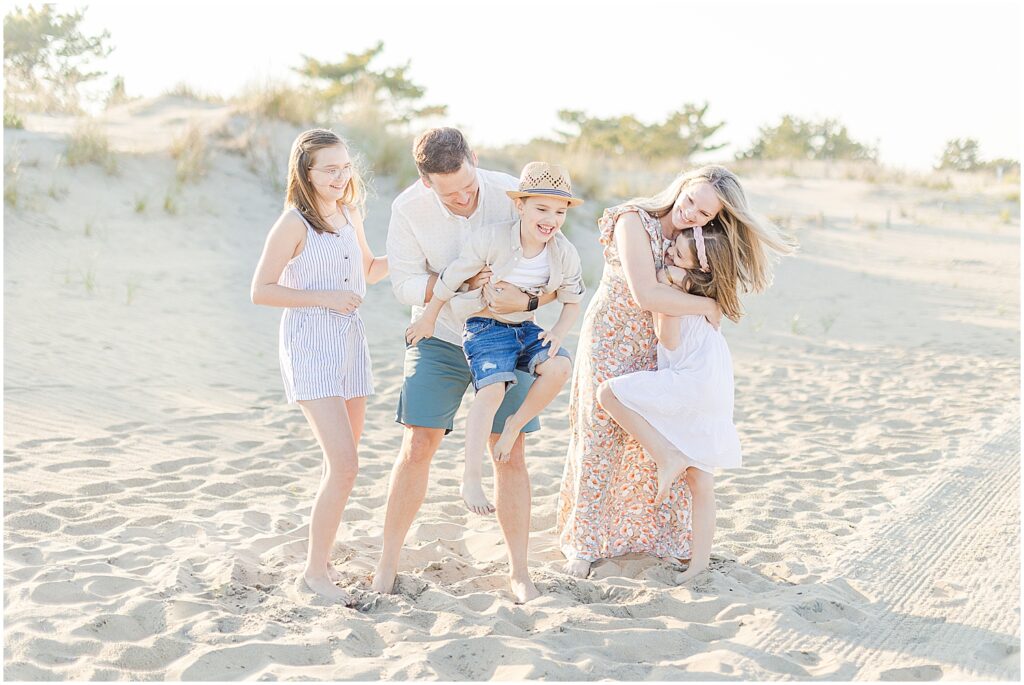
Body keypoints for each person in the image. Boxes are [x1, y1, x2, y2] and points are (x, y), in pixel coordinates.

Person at [556, 164, 795, 579]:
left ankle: (649, 539)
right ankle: (585, 542)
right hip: (613, 336)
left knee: (649, 441)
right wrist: (706, 306)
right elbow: (645, 293)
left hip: (659, 346)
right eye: (689, 202)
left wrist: (705, 300)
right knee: (599, 435)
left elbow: (697, 284)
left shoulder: (695, 241)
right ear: (681, 187)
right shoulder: (634, 220)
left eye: (703, 214)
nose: (690, 215)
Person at [374, 128, 559, 603]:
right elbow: (404, 284)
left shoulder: (512, 195)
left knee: (509, 449)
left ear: (474, 160)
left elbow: (556, 268)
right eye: (448, 192)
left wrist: (531, 296)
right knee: (417, 444)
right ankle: (386, 566)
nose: (461, 198)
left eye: (467, 186)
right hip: (441, 336)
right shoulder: (407, 209)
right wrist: (456, 281)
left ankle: (520, 572)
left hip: (508, 334)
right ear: (425, 182)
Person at [250, 129, 388, 602]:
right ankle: (314, 572)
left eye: (346, 166)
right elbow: (261, 290)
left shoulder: (350, 213)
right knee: (345, 465)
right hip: (310, 345)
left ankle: (321, 554)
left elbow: (369, 271)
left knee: (345, 467)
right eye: (330, 168)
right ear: (305, 172)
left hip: (350, 344)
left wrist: (420, 261)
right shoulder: (293, 224)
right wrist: (324, 297)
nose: (341, 176)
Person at [405, 162, 585, 515]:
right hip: (485, 326)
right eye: (542, 208)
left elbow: (573, 300)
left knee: (561, 365)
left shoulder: (562, 251)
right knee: (492, 390)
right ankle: (471, 476)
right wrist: (428, 317)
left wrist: (557, 332)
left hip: (524, 328)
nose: (551, 219)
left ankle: (513, 427)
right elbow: (451, 278)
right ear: (520, 206)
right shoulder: (493, 238)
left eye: (560, 212)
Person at [597, 225, 742, 583]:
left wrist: (663, 291)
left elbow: (669, 340)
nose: (668, 257)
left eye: (677, 255)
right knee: (701, 482)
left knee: (608, 394)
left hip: (690, 380)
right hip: (716, 385)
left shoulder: (677, 290)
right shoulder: (708, 295)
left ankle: (666, 456)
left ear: (698, 270)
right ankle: (699, 566)